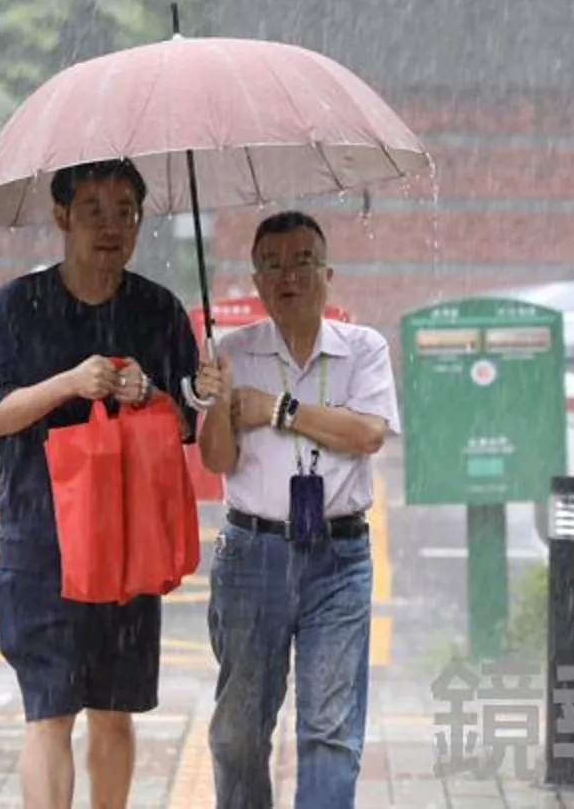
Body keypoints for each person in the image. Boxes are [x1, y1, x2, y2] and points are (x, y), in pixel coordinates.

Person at [0, 158, 217, 809]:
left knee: (114, 709)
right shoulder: (16, 306)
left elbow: (188, 424)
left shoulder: (158, 310)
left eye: (126, 211)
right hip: (40, 544)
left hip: (127, 541)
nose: (112, 226)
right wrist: (69, 384)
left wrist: (151, 392)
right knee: (49, 711)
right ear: (60, 218)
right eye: (93, 211)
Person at [195, 210, 401, 809]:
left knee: (329, 733)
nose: (289, 275)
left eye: (302, 261)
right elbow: (217, 461)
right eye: (273, 265)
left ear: (328, 273)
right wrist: (217, 401)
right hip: (251, 554)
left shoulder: (363, 350)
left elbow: (366, 434)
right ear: (256, 281)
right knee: (237, 734)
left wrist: (278, 409)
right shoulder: (232, 352)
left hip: (338, 557)